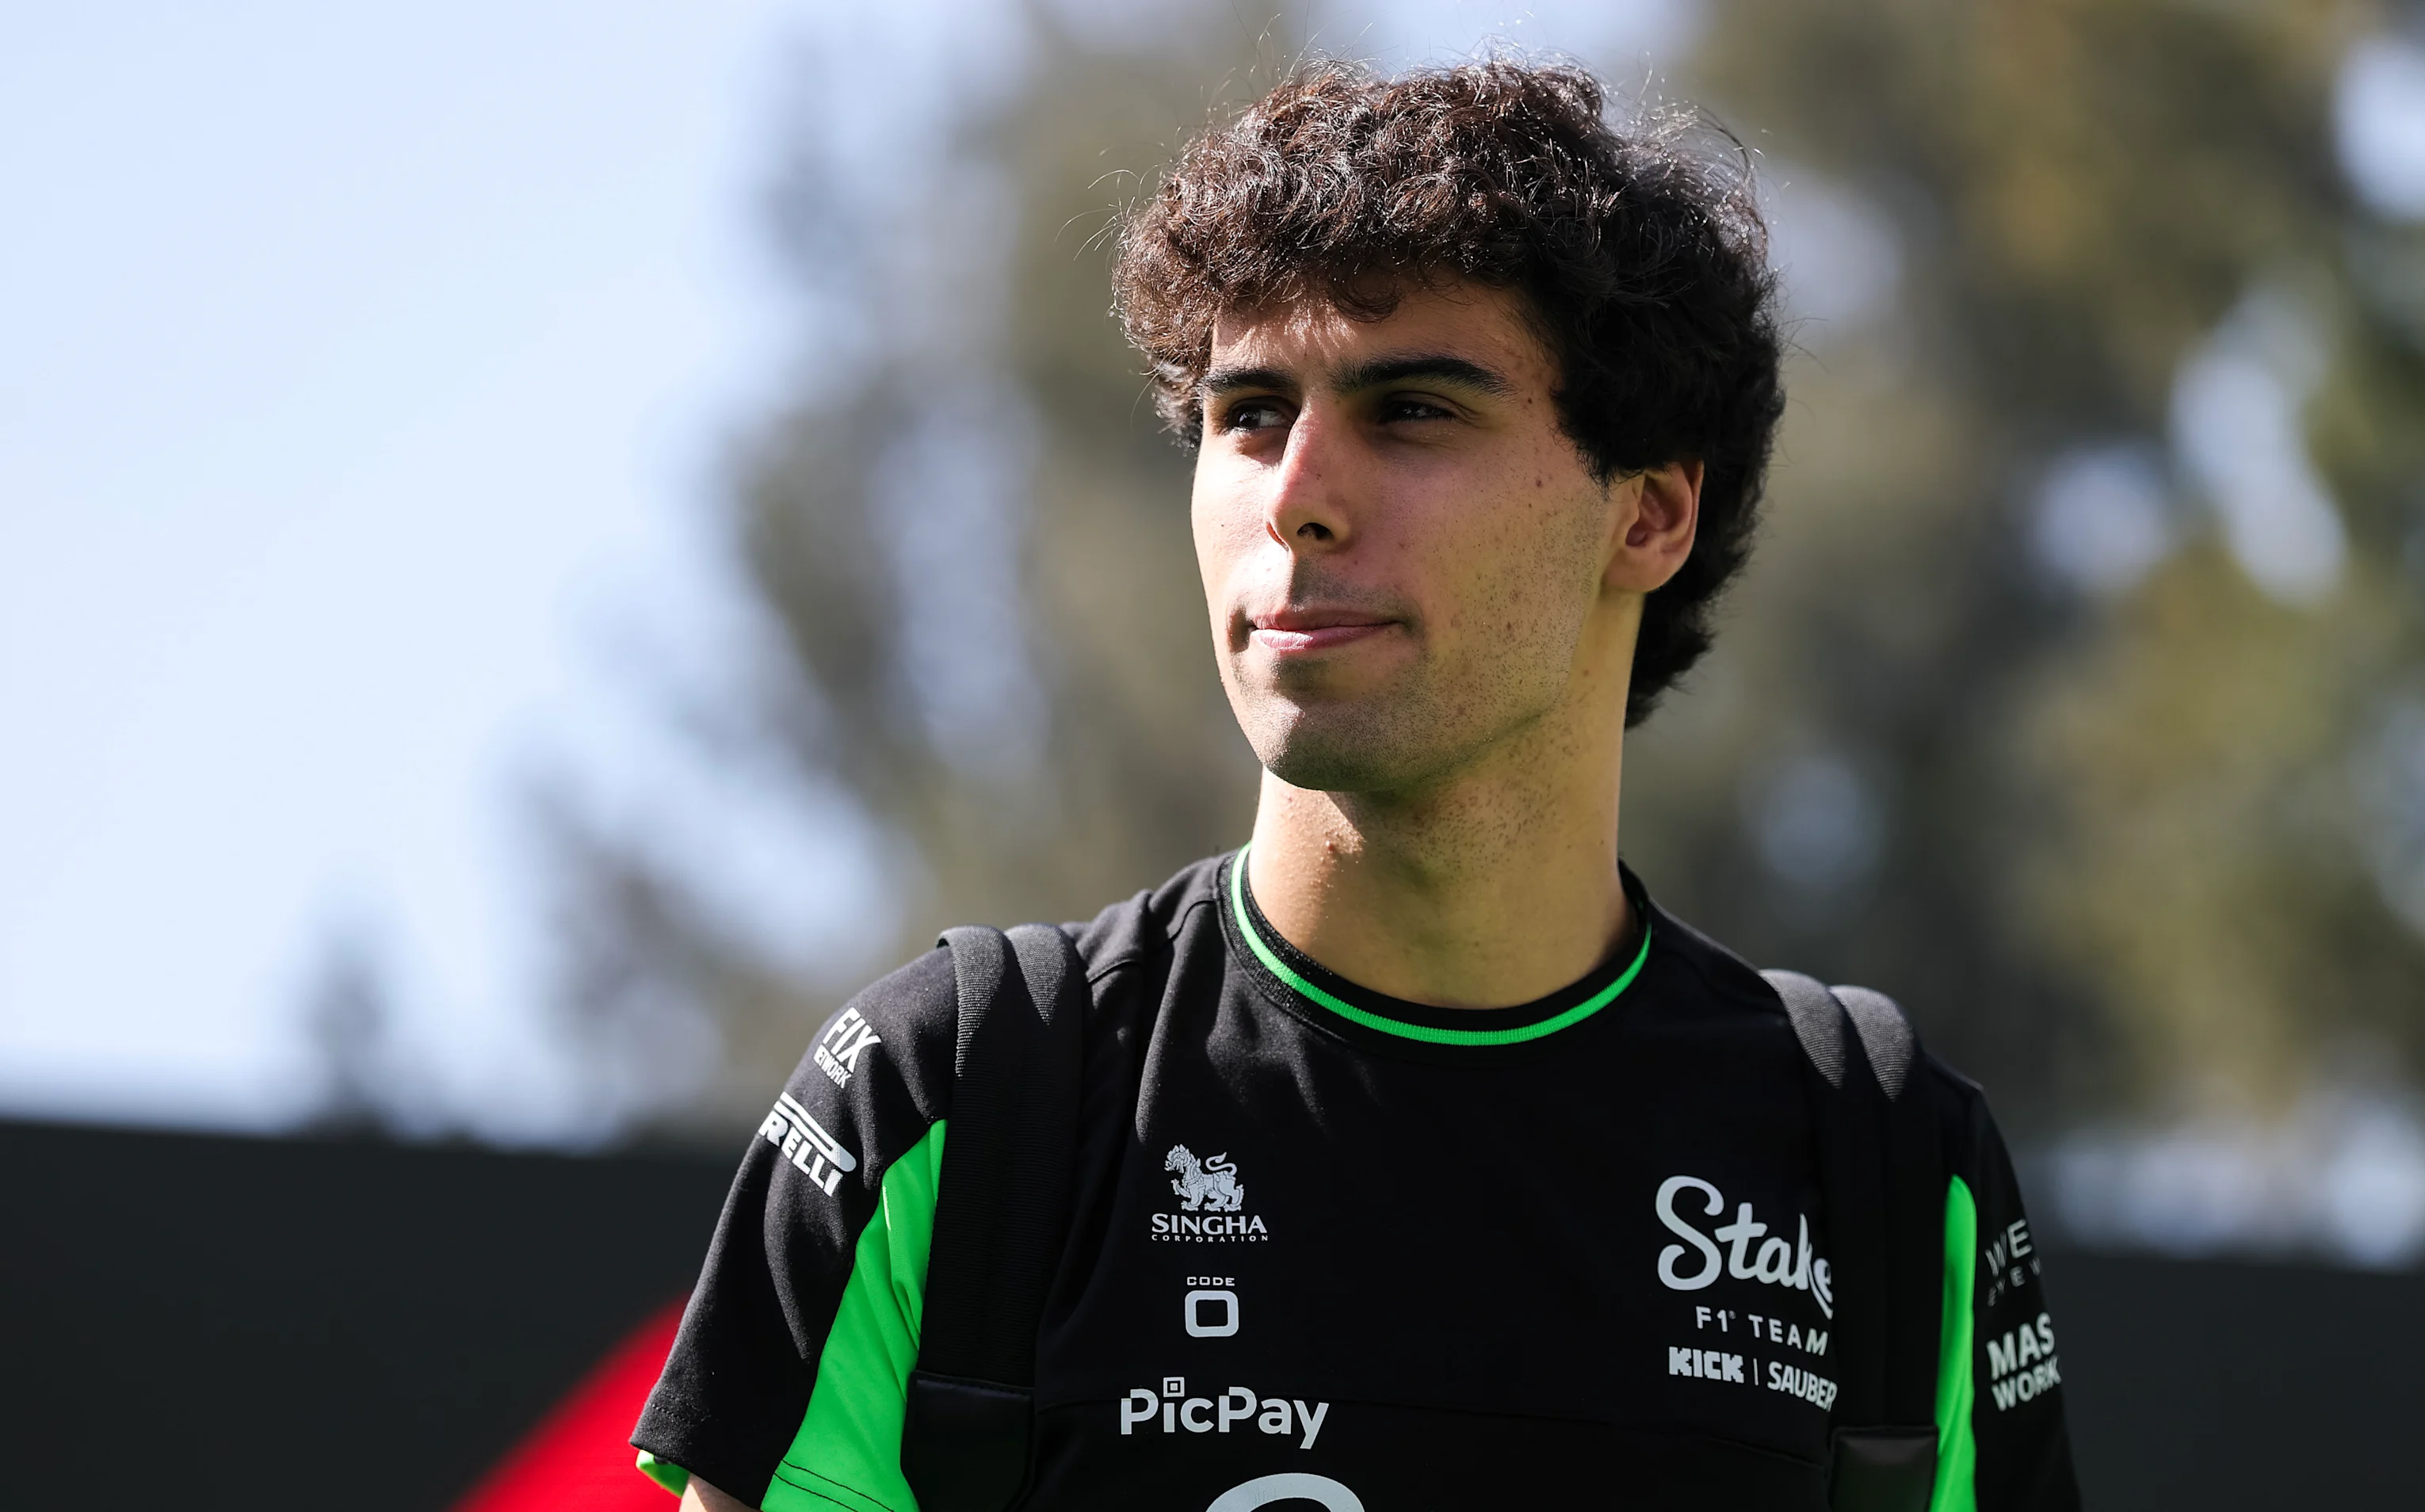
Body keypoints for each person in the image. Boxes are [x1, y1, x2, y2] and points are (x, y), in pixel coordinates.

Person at [632, 57, 2079, 1512]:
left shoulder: (1889, 1171)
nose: (1297, 494)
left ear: (1649, 513)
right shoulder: (954, 1098)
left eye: (1415, 412)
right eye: (1250, 413)